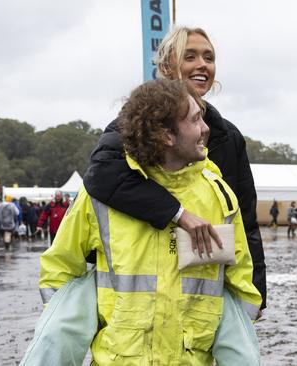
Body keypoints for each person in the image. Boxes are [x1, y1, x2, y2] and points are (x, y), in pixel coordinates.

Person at [39, 79, 261, 365]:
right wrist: (71, 330)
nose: (206, 128)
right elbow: (59, 270)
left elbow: (241, 287)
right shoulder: (97, 199)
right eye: (195, 120)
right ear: (167, 136)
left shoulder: (220, 198)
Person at [82, 26, 266, 309]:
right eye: (190, 56)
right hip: (142, 291)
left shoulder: (228, 138)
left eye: (209, 57)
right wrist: (177, 214)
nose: (202, 64)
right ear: (167, 65)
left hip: (205, 296)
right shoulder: (136, 124)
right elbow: (101, 174)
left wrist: (256, 295)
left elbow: (246, 220)